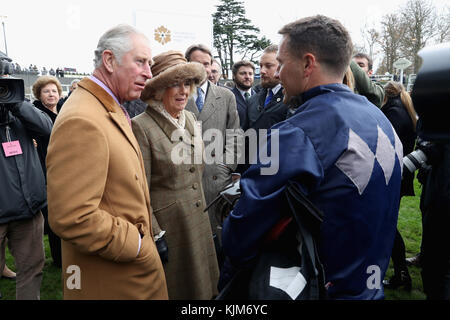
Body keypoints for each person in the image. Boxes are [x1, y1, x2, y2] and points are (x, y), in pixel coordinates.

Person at [220, 15, 403, 300]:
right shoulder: (380, 119)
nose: (278, 73)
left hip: (316, 287)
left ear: (308, 64)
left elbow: (244, 228)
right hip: (369, 286)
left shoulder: (297, 131)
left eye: (281, 63)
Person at [46, 24, 168, 300]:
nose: (149, 73)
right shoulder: (83, 118)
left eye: (149, 63)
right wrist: (136, 245)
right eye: (140, 62)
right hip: (117, 280)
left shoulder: (103, 106)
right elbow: (72, 217)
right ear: (109, 61)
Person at [132, 50, 219, 299]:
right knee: (180, 290)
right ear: (158, 90)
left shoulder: (190, 118)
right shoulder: (141, 126)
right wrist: (155, 234)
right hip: (171, 227)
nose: (183, 90)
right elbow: (140, 190)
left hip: (199, 221)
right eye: (174, 84)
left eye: (187, 83)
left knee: (205, 289)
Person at [184, 44, 241, 250]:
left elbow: (235, 132)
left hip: (218, 181)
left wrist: (227, 164)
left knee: (220, 243)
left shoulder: (226, 96)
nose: (203, 68)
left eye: (206, 64)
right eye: (196, 63)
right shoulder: (178, 96)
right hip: (188, 180)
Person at [0, 99, 52, 299]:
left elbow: (48, 128)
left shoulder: (19, 111)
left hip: (27, 210)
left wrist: (17, 102)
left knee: (31, 270)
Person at [380, 81, 417, 291]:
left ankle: (401, 273)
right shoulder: (404, 109)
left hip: (393, 176)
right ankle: (401, 273)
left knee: (388, 226)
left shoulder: (393, 113)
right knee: (389, 225)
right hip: (400, 175)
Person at [237, 44, 289, 174]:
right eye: (260, 66)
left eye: (268, 66)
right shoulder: (252, 100)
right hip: (252, 173)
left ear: (282, 67)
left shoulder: (292, 99)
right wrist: (239, 171)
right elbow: (245, 138)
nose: (262, 71)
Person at [32, 75, 63, 268]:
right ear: (39, 95)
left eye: (54, 91)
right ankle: (59, 258)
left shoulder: (63, 113)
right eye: (46, 91)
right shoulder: (36, 114)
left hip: (65, 170)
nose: (51, 94)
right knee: (52, 216)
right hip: (45, 171)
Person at [231, 60, 256, 128]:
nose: (247, 77)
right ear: (234, 76)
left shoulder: (260, 98)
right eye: (243, 73)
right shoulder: (228, 97)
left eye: (250, 74)